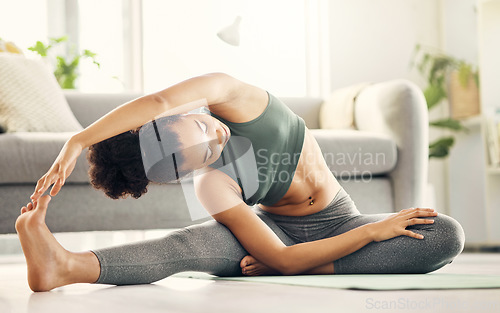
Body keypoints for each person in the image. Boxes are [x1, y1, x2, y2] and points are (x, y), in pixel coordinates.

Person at [18, 73, 465, 292]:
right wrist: (372, 233)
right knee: (186, 246)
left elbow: (154, 100)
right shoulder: (211, 184)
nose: (217, 137)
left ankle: (317, 262)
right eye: (206, 155)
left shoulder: (234, 97)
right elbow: (283, 256)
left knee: (444, 234)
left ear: (179, 114)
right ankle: (66, 265)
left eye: (202, 129)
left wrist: (77, 141)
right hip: (279, 236)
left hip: (339, 221)